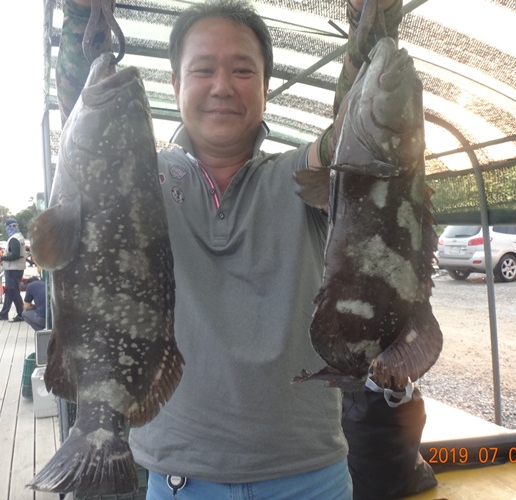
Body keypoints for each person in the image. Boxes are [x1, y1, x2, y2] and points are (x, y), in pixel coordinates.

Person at [56, 0, 401, 497]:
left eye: (242, 70)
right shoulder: (137, 180)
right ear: (175, 84)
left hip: (311, 477)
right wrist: (77, 16)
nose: (222, 86)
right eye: (203, 70)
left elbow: (359, 132)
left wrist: (371, 16)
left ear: (265, 88)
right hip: (180, 481)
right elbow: (83, 119)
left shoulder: (302, 177)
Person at [0, 218, 26, 322]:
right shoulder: (19, 237)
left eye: (15, 226)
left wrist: (1, 258)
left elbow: (15, 255)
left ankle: (21, 313)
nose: (14, 228)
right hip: (16, 268)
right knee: (10, 291)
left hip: (13, 269)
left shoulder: (14, 239)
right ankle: (4, 313)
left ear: (7, 228)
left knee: (13, 291)